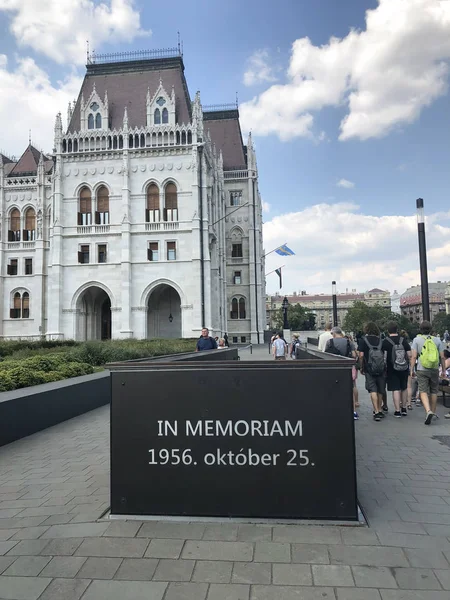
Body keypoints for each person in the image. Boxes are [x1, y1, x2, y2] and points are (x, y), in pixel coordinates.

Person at [411, 320, 448, 425]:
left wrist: (411, 369)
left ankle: (428, 411)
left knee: (423, 391)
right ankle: (434, 411)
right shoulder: (437, 340)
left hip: (421, 369)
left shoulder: (416, 340)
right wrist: (444, 370)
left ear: (420, 329)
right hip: (434, 369)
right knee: (434, 391)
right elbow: (442, 356)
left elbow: (414, 356)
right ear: (431, 329)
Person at [358, 322, 386, 422]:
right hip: (381, 368)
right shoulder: (381, 340)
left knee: (373, 389)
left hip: (369, 368)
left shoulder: (363, 341)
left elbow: (361, 355)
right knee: (380, 390)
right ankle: (380, 409)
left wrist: (361, 367)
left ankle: (376, 411)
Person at [382, 322, 411, 418]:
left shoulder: (385, 341)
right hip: (404, 367)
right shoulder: (403, 340)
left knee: (395, 389)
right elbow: (410, 354)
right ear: (397, 330)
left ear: (388, 331)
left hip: (391, 368)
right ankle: (404, 408)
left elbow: (383, 357)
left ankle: (397, 410)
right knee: (404, 387)